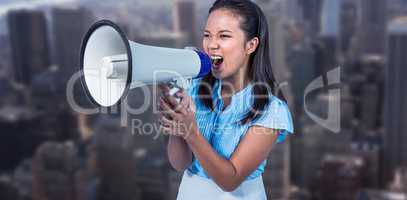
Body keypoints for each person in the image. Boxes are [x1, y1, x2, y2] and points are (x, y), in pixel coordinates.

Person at [158, 0, 294, 199]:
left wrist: (191, 131)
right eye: (207, 35)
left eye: (224, 36)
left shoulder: (272, 110)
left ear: (251, 45)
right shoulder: (195, 88)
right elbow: (180, 164)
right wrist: (177, 122)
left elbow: (230, 180)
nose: (212, 45)